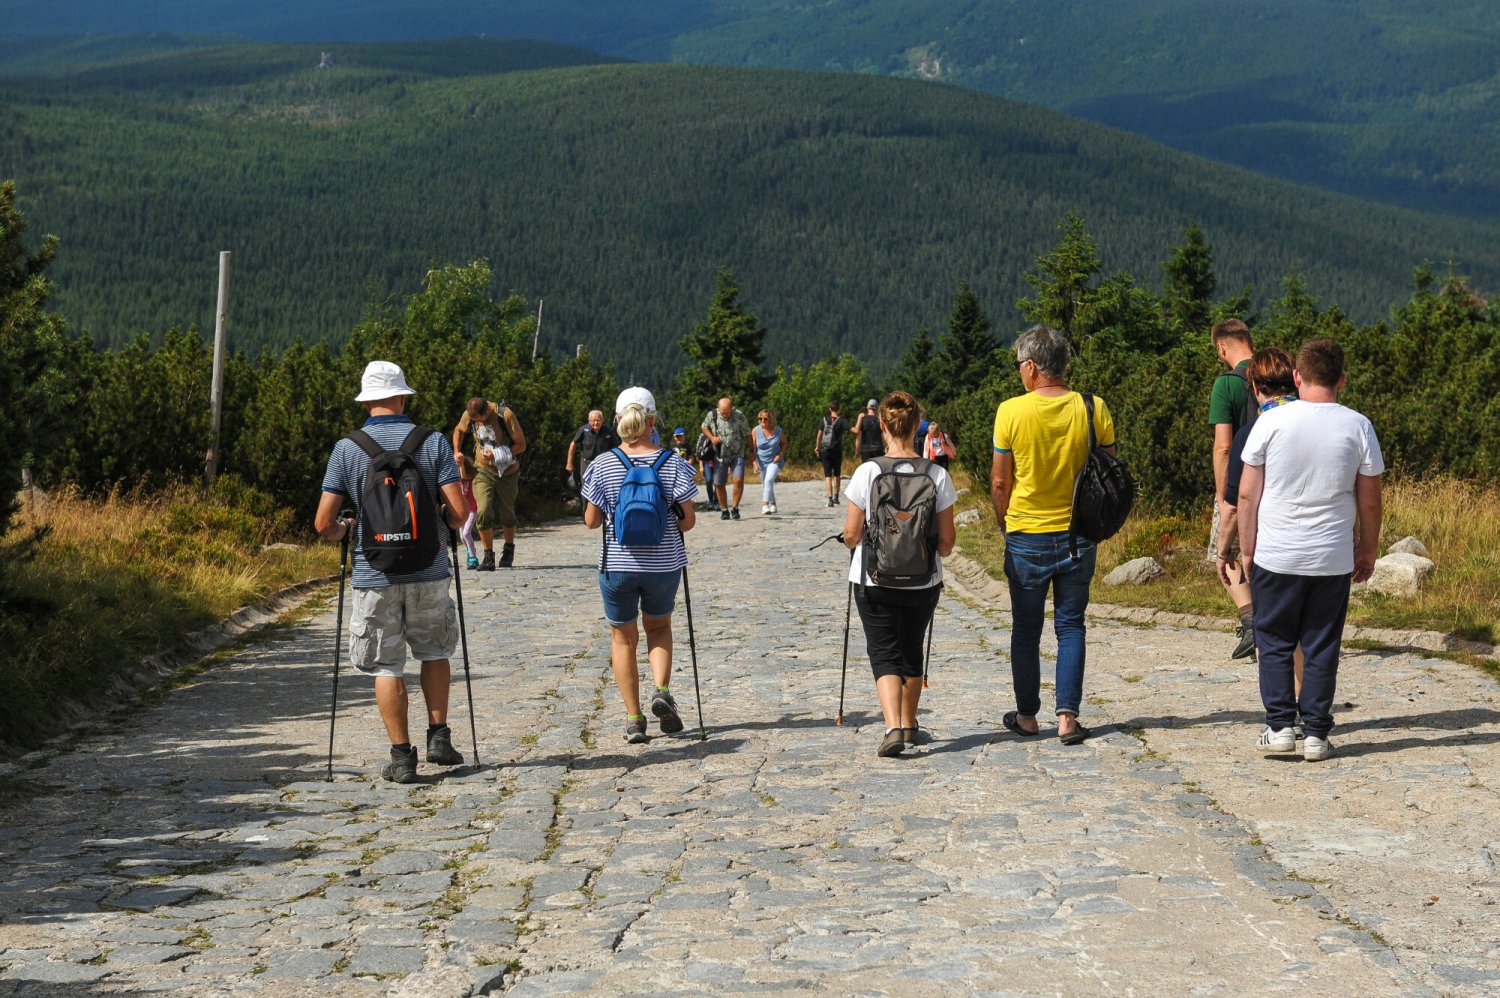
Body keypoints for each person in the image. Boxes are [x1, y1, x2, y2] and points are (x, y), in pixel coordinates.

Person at [314, 361, 469, 783]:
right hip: (429, 569)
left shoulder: (347, 449)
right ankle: (439, 737)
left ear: (367, 402)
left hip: (374, 574)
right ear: (402, 398)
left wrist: (347, 528)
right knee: (435, 651)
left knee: (387, 666)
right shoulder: (433, 442)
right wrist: (437, 514)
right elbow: (459, 515)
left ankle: (402, 758)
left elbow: (323, 525)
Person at [1232, 338, 1383, 762]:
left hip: (1276, 552)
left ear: (1297, 377)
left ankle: (1280, 727)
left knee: (1275, 640)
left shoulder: (1271, 423)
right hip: (1332, 555)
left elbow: (1247, 495)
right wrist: (1367, 550)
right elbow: (1370, 498)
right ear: (1342, 380)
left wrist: (1248, 550)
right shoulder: (1358, 426)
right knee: (1321, 643)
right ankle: (1316, 733)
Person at [990, 325, 1114, 745]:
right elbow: (1107, 469)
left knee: (1026, 629)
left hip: (1027, 531)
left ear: (1031, 367)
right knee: (1071, 625)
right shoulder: (1094, 407)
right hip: (1079, 533)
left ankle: (1027, 716)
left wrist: (1003, 522)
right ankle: (1067, 718)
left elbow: (1000, 482)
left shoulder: (1011, 411)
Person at [582, 387, 699, 743]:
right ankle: (661, 690)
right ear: (652, 421)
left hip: (618, 564)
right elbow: (688, 522)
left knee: (623, 638)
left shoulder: (603, 464)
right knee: (659, 627)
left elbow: (590, 521)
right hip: (663, 564)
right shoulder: (674, 462)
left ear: (617, 420)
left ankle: (634, 719)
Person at [844, 391, 957, 757]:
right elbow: (948, 543)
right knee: (911, 645)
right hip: (923, 580)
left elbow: (852, 533)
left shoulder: (868, 472)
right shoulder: (937, 475)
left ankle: (893, 726)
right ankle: (910, 723)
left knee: (883, 650)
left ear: (882, 425)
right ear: (917, 426)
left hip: (873, 578)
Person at [1218, 348, 1304, 693]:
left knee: (1276, 636)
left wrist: (1224, 551)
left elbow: (1237, 504)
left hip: (1274, 546)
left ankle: (1285, 718)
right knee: (1309, 636)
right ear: (1295, 381)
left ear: (1255, 387)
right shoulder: (1321, 421)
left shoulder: (1252, 432)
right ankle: (1310, 712)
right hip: (1323, 546)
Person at [1210, 319, 1257, 658]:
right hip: (1281, 479)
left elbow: (1223, 447)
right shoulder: (1280, 371)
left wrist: (1222, 492)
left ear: (1222, 347)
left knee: (1224, 552)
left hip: (1240, 480)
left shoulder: (1225, 384)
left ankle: (1252, 620)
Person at [452, 397, 527, 569]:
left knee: (507, 511)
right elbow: (458, 430)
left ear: (487, 412)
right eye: (475, 421)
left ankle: (508, 549)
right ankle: (488, 556)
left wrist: (498, 454)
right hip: (482, 470)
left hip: (507, 471)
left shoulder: (504, 414)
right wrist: (457, 451)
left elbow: (521, 445)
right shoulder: (469, 414)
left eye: (480, 420)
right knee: (483, 510)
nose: (477, 423)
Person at [701, 396, 752, 520]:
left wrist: (752, 451)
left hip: (737, 453)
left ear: (732, 409)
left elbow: (747, 434)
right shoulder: (712, 414)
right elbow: (704, 427)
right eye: (722, 412)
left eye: (727, 412)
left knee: (738, 479)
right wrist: (712, 438)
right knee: (719, 483)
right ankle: (724, 509)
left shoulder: (739, 416)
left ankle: (735, 508)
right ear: (718, 408)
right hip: (720, 455)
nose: (724, 415)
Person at [566, 409, 620, 493]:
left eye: (598, 420)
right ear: (589, 421)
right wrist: (569, 463)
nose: (596, 423)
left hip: (603, 464)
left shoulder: (608, 431)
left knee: (603, 489)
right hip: (586, 463)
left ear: (603, 420)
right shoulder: (583, 430)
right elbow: (573, 444)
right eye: (593, 420)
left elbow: (617, 447)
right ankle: (585, 506)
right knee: (586, 490)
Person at [814, 401, 851, 507]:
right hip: (837, 451)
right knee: (837, 474)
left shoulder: (824, 420)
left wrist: (817, 447)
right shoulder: (841, 421)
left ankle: (829, 499)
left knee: (828, 476)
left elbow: (819, 436)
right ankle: (836, 497)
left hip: (825, 450)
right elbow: (854, 430)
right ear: (838, 409)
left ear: (829, 409)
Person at [753, 409, 787, 514]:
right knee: (766, 483)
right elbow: (753, 448)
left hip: (774, 461)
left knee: (768, 480)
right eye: (760, 418)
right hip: (761, 461)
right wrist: (754, 462)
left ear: (771, 419)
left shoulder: (778, 430)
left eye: (765, 418)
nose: (762, 420)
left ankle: (765, 505)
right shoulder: (755, 430)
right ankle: (773, 503)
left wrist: (780, 454)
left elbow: (785, 443)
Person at [694, 429, 720, 512]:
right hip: (707, 462)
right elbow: (700, 452)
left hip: (718, 461)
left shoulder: (719, 433)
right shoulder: (703, 435)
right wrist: (701, 466)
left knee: (717, 482)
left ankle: (716, 502)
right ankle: (711, 501)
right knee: (708, 481)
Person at [855, 397, 885, 464]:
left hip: (865, 450)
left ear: (868, 407)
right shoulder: (879, 420)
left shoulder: (862, 420)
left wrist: (857, 450)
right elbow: (883, 437)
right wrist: (885, 448)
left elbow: (858, 437)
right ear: (876, 408)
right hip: (878, 449)